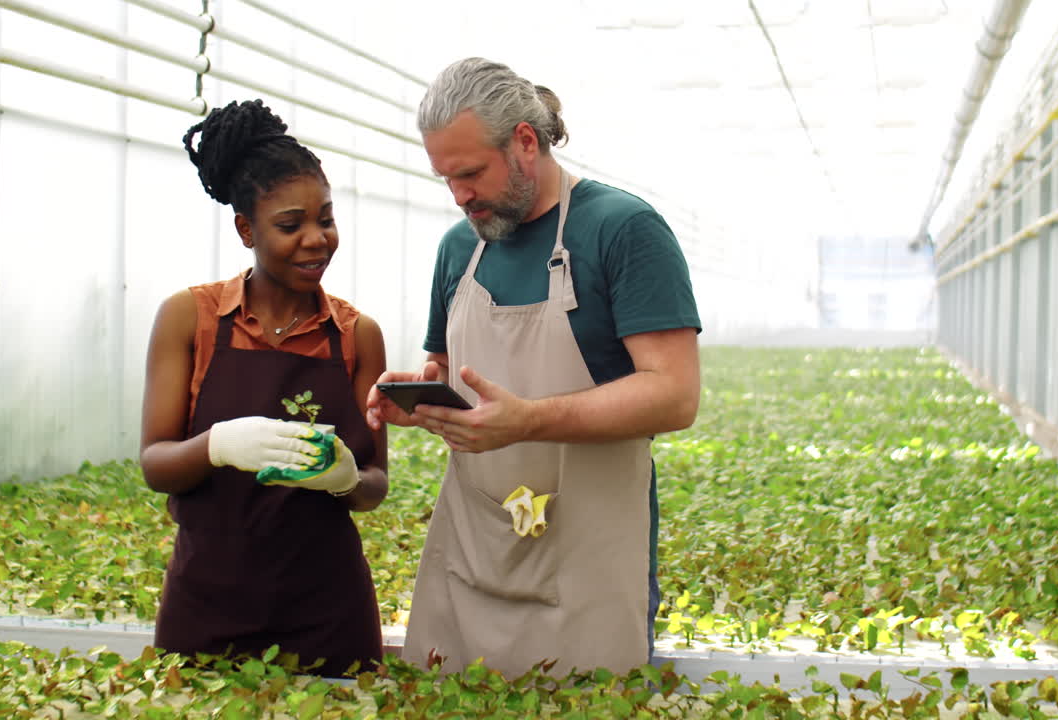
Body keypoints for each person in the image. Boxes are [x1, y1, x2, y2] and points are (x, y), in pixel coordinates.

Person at [366, 57, 702, 677]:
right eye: (446, 179)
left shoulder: (622, 230)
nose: (460, 195)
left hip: (587, 560)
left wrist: (529, 420)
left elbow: (674, 394)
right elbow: (444, 365)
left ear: (525, 141)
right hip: (473, 549)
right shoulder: (458, 247)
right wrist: (421, 397)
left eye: (470, 173)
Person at [139, 99, 389, 676]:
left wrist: (346, 478)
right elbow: (155, 464)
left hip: (328, 610)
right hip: (207, 603)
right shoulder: (190, 319)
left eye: (325, 219)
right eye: (290, 224)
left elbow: (375, 485)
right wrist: (218, 446)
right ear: (245, 228)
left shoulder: (355, 335)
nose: (316, 239)